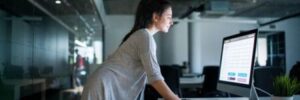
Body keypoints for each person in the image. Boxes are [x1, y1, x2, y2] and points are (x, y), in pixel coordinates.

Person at [81, 0, 180, 100]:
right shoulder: (145, 36)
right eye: (169, 17)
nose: (171, 22)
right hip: (102, 87)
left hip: (102, 85)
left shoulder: (142, 35)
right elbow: (154, 77)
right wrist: (174, 98)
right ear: (155, 17)